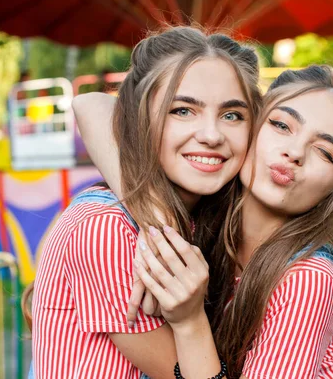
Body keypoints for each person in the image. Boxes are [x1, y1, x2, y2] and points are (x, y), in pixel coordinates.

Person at [130, 66, 333, 378]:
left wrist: (189, 322)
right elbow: (98, 107)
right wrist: (156, 213)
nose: (294, 151)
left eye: (326, 153)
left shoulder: (308, 279)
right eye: (281, 125)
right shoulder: (204, 219)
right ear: (246, 127)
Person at [31, 26, 262, 379]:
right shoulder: (106, 226)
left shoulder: (208, 216)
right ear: (140, 116)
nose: (212, 135)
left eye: (232, 115)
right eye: (183, 110)